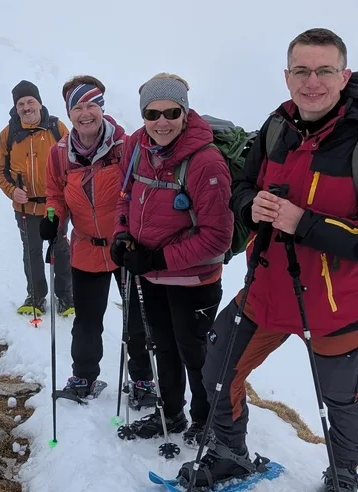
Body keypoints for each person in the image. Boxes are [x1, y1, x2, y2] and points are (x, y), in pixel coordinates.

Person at [178, 29, 358, 492]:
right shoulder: (276, 128)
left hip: (337, 307)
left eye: (325, 70)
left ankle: (343, 474)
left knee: (339, 399)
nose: (313, 82)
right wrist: (251, 205)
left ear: (344, 76)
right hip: (265, 292)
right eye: (302, 71)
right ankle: (230, 454)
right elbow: (242, 187)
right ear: (287, 76)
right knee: (218, 372)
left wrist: (304, 222)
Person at [111, 73, 233, 444]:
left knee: (195, 353)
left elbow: (218, 238)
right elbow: (124, 196)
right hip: (151, 274)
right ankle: (170, 413)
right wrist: (121, 234)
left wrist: (157, 259)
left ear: (185, 112)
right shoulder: (136, 146)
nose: (161, 122)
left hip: (194, 280)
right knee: (162, 347)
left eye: (171, 112)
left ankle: (205, 421)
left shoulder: (206, 163)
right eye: (152, 113)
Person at [39, 75, 156, 407]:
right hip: (86, 247)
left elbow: (141, 190)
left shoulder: (127, 147)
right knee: (86, 321)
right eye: (77, 107)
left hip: (126, 247)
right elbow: (55, 196)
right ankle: (83, 377)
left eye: (91, 105)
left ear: (102, 108)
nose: (85, 113)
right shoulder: (59, 154)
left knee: (137, 321)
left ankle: (143, 380)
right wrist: (52, 220)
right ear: (69, 113)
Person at [0, 79, 74, 316]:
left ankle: (66, 297)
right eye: (21, 104)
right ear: (15, 107)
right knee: (32, 252)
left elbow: (74, 163)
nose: (26, 107)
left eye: (30, 102)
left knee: (60, 250)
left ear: (39, 103)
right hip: (25, 208)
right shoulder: (8, 134)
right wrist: (12, 190)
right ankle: (36, 297)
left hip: (55, 205)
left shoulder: (57, 128)